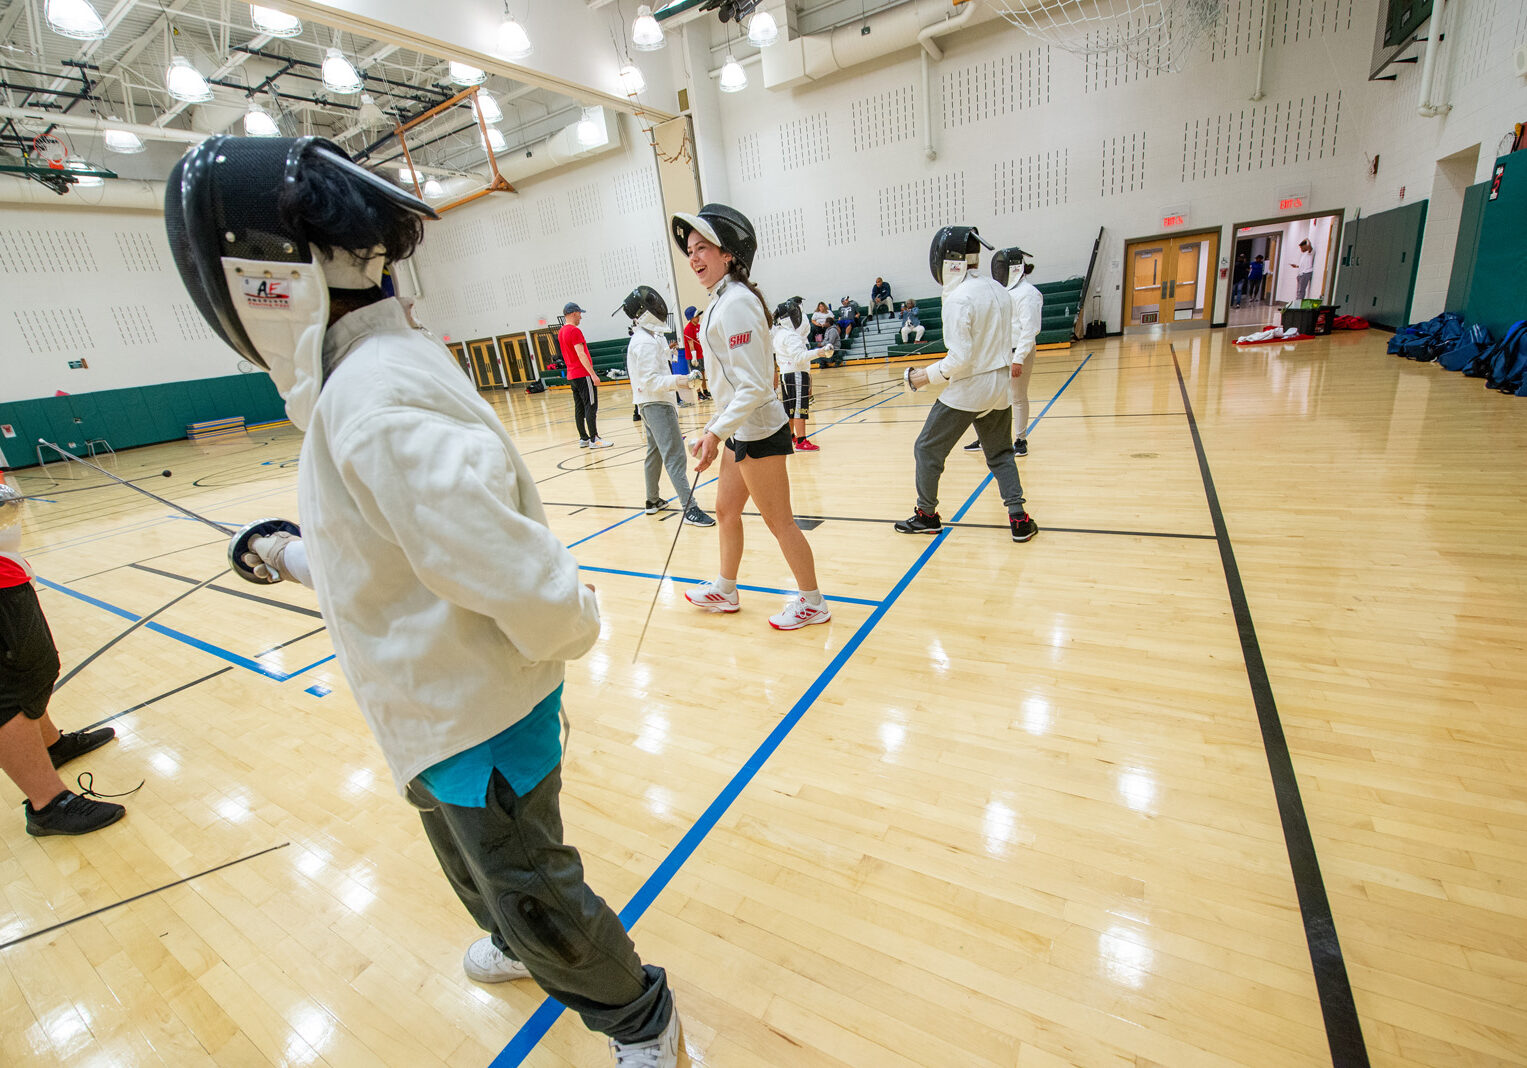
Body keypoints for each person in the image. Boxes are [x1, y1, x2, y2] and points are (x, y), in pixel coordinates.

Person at [165, 136, 682, 1066]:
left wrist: (572, 624)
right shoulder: (362, 377)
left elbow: (504, 567)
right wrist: (286, 553)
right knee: (470, 857)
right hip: (434, 707)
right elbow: (390, 553)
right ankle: (522, 940)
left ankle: (638, 1017)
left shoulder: (374, 397)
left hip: (476, 711)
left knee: (531, 883)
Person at [671, 203, 832, 630]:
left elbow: (757, 385)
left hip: (758, 430)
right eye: (690, 250)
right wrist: (712, 431)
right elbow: (730, 386)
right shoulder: (721, 301)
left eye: (702, 247)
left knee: (780, 522)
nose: (694, 258)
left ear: (728, 253)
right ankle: (725, 589)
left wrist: (715, 432)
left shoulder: (737, 303)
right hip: (738, 428)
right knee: (725, 510)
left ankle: (813, 602)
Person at [897, 225, 1037, 544]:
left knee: (926, 448)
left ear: (947, 260)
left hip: (970, 389)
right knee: (1001, 453)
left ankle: (926, 515)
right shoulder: (999, 290)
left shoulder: (958, 297)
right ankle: (1019, 518)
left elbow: (960, 358)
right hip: (1000, 387)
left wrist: (922, 377)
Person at [0, 481, 124, 836]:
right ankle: (47, 805)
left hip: (7, 572)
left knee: (37, 667)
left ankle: (50, 745)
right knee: (12, 685)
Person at [620, 285, 716, 525]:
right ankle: (690, 508)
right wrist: (682, 380)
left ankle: (652, 500)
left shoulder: (650, 337)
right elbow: (649, 380)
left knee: (654, 452)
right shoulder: (643, 342)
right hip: (656, 404)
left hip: (653, 403)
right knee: (674, 455)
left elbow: (656, 369)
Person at [964, 247, 1041, 457]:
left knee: (1017, 396)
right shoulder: (1004, 292)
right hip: (1000, 352)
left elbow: (1030, 330)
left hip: (1020, 353)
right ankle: (986, 437)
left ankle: (1020, 439)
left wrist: (1018, 359)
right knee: (992, 395)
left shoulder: (1029, 293)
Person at [770, 300, 832, 453]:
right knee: (798, 408)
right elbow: (799, 357)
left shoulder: (779, 334)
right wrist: (820, 352)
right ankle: (801, 441)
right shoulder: (790, 336)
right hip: (796, 374)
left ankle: (790, 437)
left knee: (789, 408)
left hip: (786, 374)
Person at [559, 302, 611, 449]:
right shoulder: (574, 331)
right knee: (591, 405)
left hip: (572, 375)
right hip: (582, 374)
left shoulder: (561, 332)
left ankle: (584, 438)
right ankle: (594, 438)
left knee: (579, 407)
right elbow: (581, 354)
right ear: (573, 313)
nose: (581, 317)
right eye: (579, 314)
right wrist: (593, 375)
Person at [682, 304, 711, 401]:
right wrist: (694, 358)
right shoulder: (688, 329)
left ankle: (705, 390)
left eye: (698, 316)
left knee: (702, 372)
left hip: (700, 353)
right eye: (696, 316)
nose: (698, 318)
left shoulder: (699, 326)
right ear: (691, 318)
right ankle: (699, 393)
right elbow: (691, 345)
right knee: (696, 375)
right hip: (693, 356)